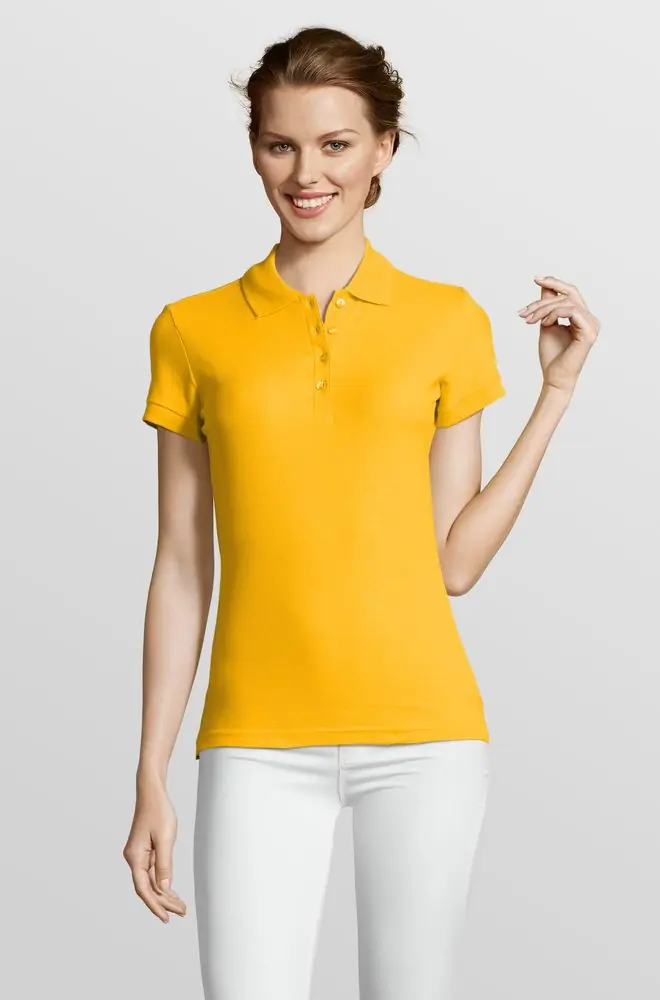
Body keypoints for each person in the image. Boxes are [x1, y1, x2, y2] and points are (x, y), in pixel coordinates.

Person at [122, 24, 600, 1000]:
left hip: (426, 736)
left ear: (384, 149)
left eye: (336, 144)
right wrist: (150, 771)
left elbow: (454, 562)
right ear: (254, 149)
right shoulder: (191, 330)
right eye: (281, 144)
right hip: (254, 739)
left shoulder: (447, 320)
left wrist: (554, 395)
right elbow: (181, 565)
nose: (308, 174)